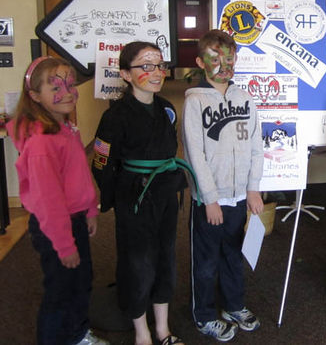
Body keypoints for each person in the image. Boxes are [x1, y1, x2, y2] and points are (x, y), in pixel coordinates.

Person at [8, 57, 108, 345]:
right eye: (55, 88)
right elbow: (47, 201)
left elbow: (77, 175)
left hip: (74, 219)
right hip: (56, 228)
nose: (67, 92)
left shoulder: (63, 127)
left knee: (80, 283)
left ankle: (76, 334)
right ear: (34, 96)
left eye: (70, 84)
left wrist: (89, 209)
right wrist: (64, 245)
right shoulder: (42, 143)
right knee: (61, 291)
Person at [92, 42, 185, 345]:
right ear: (126, 74)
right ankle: (141, 332)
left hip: (165, 193)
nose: (156, 72)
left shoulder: (167, 109)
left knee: (165, 259)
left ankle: (162, 327)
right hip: (134, 197)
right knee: (138, 263)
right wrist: (112, 199)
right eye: (146, 66)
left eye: (159, 65)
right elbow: (102, 164)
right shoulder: (115, 117)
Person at [182, 29, 264, 342]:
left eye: (229, 58)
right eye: (216, 59)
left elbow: (257, 145)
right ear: (201, 61)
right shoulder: (195, 101)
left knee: (233, 254)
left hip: (240, 196)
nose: (224, 65)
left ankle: (233, 305)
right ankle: (203, 315)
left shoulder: (245, 98)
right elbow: (194, 153)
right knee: (205, 262)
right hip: (210, 201)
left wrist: (253, 188)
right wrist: (209, 198)